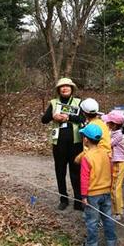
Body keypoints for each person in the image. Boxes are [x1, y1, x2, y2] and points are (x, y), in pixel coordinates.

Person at [41, 77, 84, 211]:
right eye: (62, 86)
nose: (65, 88)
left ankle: (78, 201)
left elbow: (83, 118)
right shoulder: (53, 103)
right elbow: (44, 120)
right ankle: (63, 199)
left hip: (76, 142)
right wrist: (53, 116)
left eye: (67, 86)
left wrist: (69, 117)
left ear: (72, 89)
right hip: (58, 143)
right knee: (60, 171)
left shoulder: (78, 102)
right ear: (58, 90)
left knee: (75, 171)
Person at [79, 123, 118, 246]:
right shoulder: (106, 154)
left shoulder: (87, 157)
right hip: (106, 192)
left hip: (92, 194)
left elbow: (84, 178)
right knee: (108, 218)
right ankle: (111, 241)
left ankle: (92, 243)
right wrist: (110, 187)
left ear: (85, 139)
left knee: (92, 221)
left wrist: (84, 196)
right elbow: (110, 171)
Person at [102, 110, 124, 221]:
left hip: (118, 162)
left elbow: (108, 144)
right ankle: (118, 206)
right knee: (114, 186)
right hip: (115, 162)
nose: (107, 124)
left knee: (115, 187)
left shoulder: (119, 135)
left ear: (114, 124)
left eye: (109, 122)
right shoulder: (115, 133)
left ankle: (117, 212)